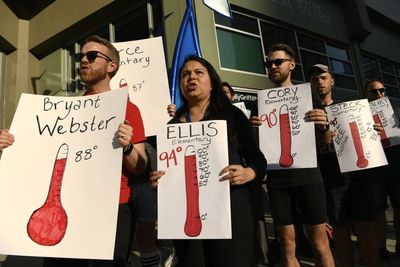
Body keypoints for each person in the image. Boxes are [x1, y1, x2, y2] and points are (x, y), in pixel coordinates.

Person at [39, 35, 147, 267]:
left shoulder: (129, 109)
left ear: (112, 66)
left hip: (114, 208)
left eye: (91, 56)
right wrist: (12, 143)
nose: (83, 61)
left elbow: (140, 167)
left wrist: (127, 147)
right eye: (80, 57)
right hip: (71, 204)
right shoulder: (69, 111)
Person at [150, 55, 267, 267]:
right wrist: (159, 181)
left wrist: (249, 172)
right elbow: (166, 171)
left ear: (211, 83)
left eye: (198, 73)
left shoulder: (232, 116)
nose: (191, 78)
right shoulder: (171, 127)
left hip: (232, 214)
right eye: (185, 74)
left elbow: (257, 159)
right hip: (186, 221)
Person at [250, 44, 334, 267]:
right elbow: (257, 149)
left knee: (319, 244)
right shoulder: (261, 102)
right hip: (278, 182)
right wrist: (255, 130)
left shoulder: (308, 95)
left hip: (309, 178)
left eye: (278, 62)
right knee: (288, 247)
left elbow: (325, 141)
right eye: (269, 63)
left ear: (292, 65)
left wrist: (323, 126)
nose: (273, 66)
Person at [310, 64, 382, 267]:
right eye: (315, 79)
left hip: (358, 176)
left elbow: (368, 139)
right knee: (340, 231)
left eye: (323, 77)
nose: (319, 82)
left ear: (332, 81)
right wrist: (321, 140)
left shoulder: (350, 108)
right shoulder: (308, 115)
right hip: (331, 179)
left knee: (365, 228)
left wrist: (373, 132)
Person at [365, 79, 400, 261]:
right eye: (373, 91)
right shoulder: (360, 114)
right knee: (378, 209)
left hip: (396, 165)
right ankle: (381, 247)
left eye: (382, 90)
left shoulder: (395, 113)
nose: (379, 94)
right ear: (366, 95)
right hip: (375, 166)